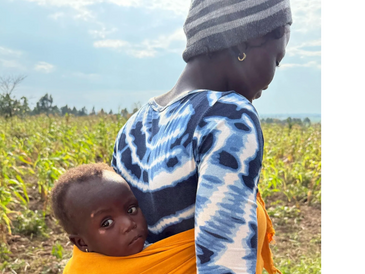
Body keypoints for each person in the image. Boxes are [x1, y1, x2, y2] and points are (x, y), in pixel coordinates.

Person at [112, 0, 292, 273]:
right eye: (276, 60)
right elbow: (225, 263)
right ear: (245, 43)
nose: (271, 78)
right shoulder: (227, 116)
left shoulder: (133, 127)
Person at [51, 163, 196, 274]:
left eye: (131, 209)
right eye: (107, 223)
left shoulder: (168, 255)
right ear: (82, 243)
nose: (128, 224)